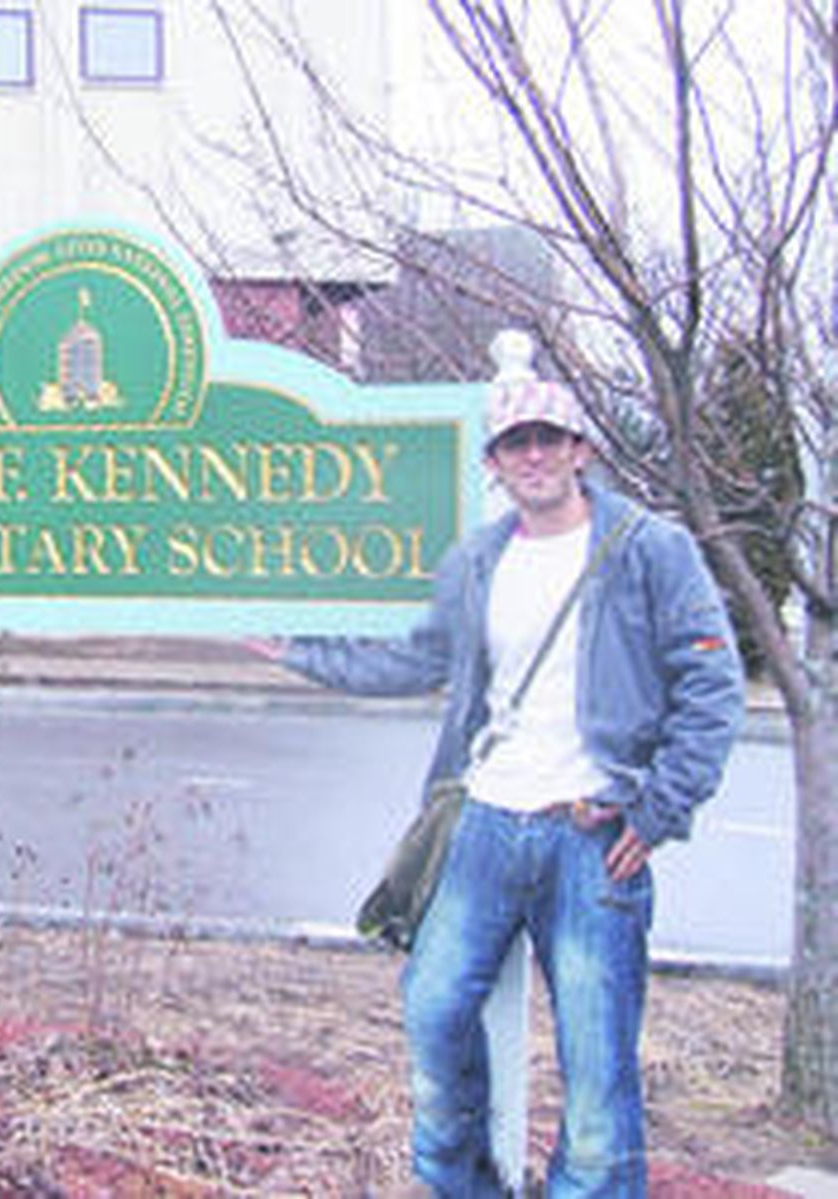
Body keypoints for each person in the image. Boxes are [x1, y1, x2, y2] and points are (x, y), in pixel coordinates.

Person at [252, 378, 744, 1196]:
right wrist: (299, 651)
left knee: (596, 1071)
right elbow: (418, 659)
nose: (536, 454)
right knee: (434, 1008)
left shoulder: (650, 548)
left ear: (581, 449)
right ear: (496, 462)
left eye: (551, 438)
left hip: (593, 837)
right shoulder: (478, 559)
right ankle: (462, 1183)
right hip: (484, 822)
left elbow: (712, 685)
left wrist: (659, 809)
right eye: (518, 442)